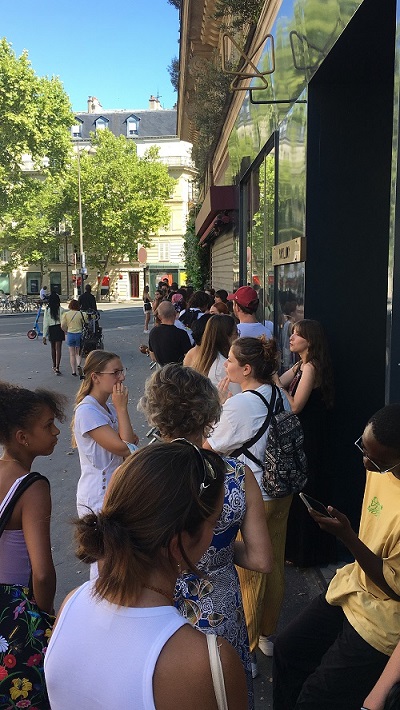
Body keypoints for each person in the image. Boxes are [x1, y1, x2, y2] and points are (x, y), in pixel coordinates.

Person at [44, 442, 248, 710]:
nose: (216, 533)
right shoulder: (207, 663)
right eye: (214, 522)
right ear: (178, 545)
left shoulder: (71, 604)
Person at [139, 364, 272, 704]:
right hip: (219, 606)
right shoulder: (237, 476)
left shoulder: (138, 473)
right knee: (223, 692)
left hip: (154, 601)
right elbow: (261, 559)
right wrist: (220, 547)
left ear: (155, 412)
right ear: (209, 411)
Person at [273, 403, 400, 710]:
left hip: (383, 618)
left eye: (377, 461)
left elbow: (394, 588)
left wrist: (347, 538)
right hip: (352, 587)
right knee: (287, 650)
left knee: (314, 700)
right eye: (364, 450)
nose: (366, 463)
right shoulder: (382, 464)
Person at [203, 336, 292, 668]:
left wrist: (221, 402)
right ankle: (267, 634)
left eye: (229, 360)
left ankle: (249, 649)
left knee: (251, 573)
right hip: (282, 489)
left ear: (246, 368)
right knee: (275, 563)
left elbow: (210, 446)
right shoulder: (276, 392)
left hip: (257, 494)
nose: (225, 365)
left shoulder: (240, 404)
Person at [0, 382, 66, 708]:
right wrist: (46, 615)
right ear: (22, 437)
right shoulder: (32, 488)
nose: (56, 431)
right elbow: (41, 572)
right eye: (47, 425)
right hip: (15, 615)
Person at [275, 318, 335, 567]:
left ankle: (304, 553)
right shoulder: (302, 364)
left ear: (309, 341)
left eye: (297, 335)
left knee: (306, 489)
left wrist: (278, 384)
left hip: (309, 436)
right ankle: (299, 551)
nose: (291, 338)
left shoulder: (310, 368)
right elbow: (279, 380)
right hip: (305, 436)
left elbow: (296, 405)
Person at [71, 350, 139, 521]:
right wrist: (122, 408)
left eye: (121, 371)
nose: (121, 377)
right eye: (115, 373)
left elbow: (130, 442)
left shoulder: (106, 407)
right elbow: (126, 448)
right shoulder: (87, 411)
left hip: (115, 491)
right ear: (95, 377)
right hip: (97, 498)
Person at [191, 314, 241, 395]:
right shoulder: (223, 367)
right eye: (236, 333)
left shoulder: (205, 360)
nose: (238, 337)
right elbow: (239, 394)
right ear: (226, 337)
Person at [148, 300, 191, 366]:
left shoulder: (153, 332)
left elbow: (153, 356)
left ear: (159, 317)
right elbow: (188, 357)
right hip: (178, 370)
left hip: (162, 370)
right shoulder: (182, 334)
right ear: (175, 314)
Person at [42, 291, 66, 375]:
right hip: (59, 328)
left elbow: (45, 323)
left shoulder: (47, 310)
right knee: (58, 349)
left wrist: (44, 336)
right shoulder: (62, 310)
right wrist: (65, 330)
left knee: (53, 348)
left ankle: (54, 365)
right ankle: (58, 367)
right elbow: (64, 322)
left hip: (51, 329)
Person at [61, 299, 85, 377]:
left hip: (70, 334)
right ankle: (79, 365)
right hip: (79, 334)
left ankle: (73, 371)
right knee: (78, 353)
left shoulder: (66, 314)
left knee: (72, 354)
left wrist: (66, 331)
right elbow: (87, 321)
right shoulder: (81, 314)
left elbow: (62, 326)